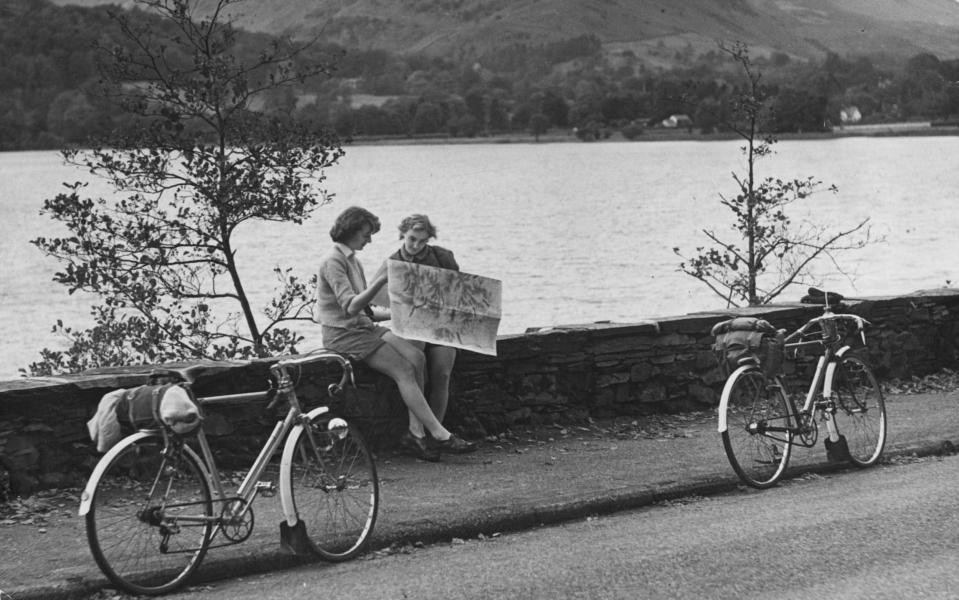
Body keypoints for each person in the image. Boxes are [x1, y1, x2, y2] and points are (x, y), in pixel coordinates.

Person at [315, 206, 475, 461]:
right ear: (351, 231)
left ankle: (416, 433)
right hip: (344, 334)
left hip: (363, 327)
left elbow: (365, 312)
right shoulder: (333, 261)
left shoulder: (351, 260)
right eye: (365, 234)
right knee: (404, 369)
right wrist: (381, 281)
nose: (369, 239)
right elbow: (350, 306)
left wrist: (406, 312)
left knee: (417, 358)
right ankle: (437, 434)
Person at [381, 214, 459, 426]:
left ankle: (439, 432)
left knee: (442, 374)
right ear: (402, 235)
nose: (416, 245)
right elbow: (375, 300)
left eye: (422, 240)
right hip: (411, 327)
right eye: (412, 238)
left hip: (441, 325)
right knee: (418, 376)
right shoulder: (393, 262)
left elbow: (459, 292)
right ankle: (420, 432)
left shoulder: (443, 257)